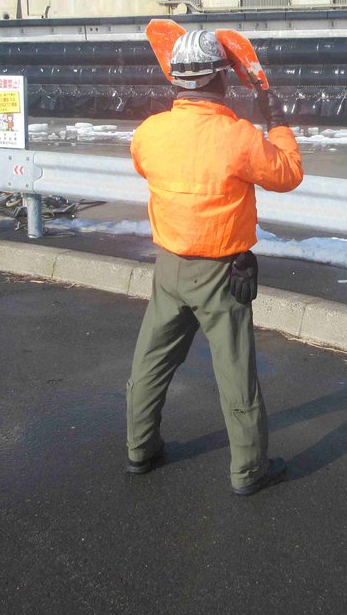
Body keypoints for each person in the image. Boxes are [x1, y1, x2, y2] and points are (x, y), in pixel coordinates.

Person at [126, 29, 303, 496]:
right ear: (221, 79)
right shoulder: (240, 138)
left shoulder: (150, 132)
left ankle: (139, 451)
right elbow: (288, 174)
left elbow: (144, 165)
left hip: (168, 269)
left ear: (177, 80)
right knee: (235, 375)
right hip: (223, 275)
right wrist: (276, 120)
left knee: (150, 364)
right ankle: (248, 472)